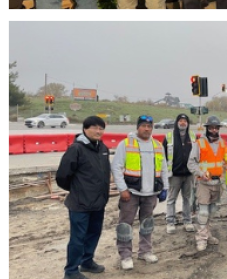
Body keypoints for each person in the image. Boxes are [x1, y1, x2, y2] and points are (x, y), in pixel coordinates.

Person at [57, 116, 111, 279]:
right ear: (85, 129)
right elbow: (62, 176)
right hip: (80, 204)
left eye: (101, 128)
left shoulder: (103, 148)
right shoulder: (76, 149)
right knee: (77, 238)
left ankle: (87, 261)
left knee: (94, 233)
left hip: (98, 203)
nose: (98, 131)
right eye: (94, 128)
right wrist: (77, 190)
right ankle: (71, 270)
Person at [111, 116, 169, 270]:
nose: (147, 129)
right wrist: (122, 189)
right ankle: (125, 255)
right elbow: (116, 167)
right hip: (131, 193)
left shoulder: (157, 145)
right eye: (143, 126)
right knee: (125, 225)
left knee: (147, 224)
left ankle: (145, 251)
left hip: (151, 193)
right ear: (138, 127)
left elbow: (163, 168)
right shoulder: (126, 144)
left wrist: (165, 188)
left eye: (149, 126)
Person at [187, 115, 226, 251]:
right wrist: (200, 173)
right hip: (204, 183)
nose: (214, 130)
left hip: (217, 183)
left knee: (212, 211)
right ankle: (201, 239)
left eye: (216, 127)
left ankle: (207, 234)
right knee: (203, 212)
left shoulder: (222, 143)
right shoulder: (199, 143)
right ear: (207, 128)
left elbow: (226, 161)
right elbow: (191, 163)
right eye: (211, 127)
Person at [163, 113, 196, 233]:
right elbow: (163, 155)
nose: (183, 123)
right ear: (177, 123)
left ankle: (187, 221)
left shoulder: (192, 136)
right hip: (174, 175)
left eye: (185, 121)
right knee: (171, 199)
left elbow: (197, 155)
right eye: (180, 121)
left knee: (187, 198)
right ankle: (170, 222)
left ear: (187, 123)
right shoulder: (169, 137)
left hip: (188, 174)